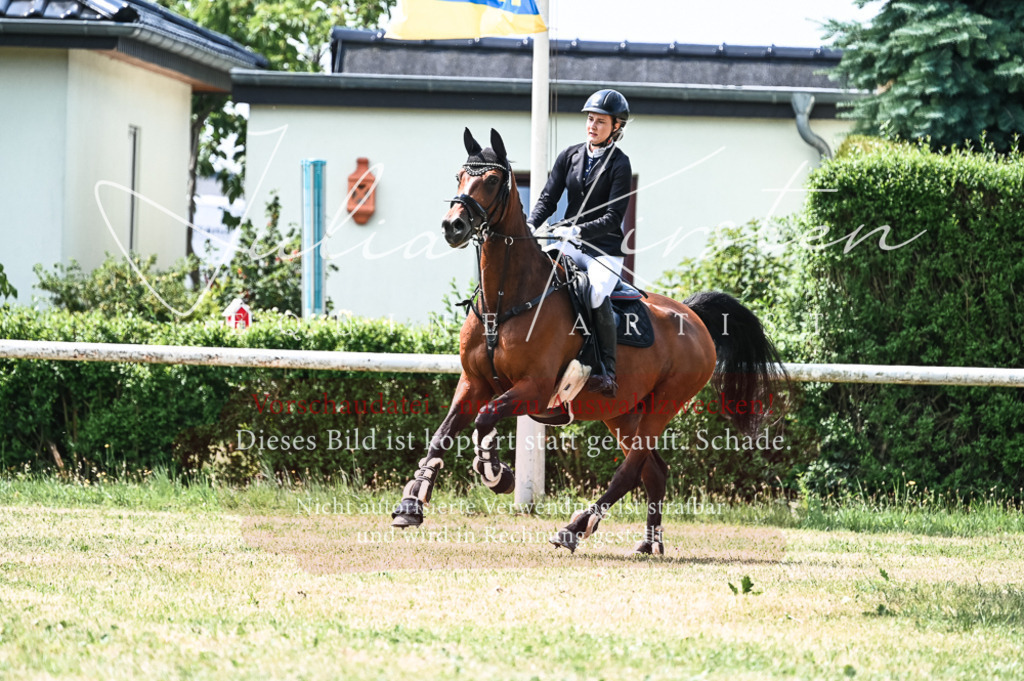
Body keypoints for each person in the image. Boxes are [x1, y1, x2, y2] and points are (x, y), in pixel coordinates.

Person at [528, 89, 632, 398]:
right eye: (590, 119)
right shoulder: (570, 156)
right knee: (543, 276)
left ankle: (607, 371)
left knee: (597, 292)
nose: (592, 126)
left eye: (601, 121)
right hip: (569, 241)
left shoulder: (620, 164)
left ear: (616, 126)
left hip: (605, 250)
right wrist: (531, 223)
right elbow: (548, 198)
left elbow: (614, 217)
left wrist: (577, 230)